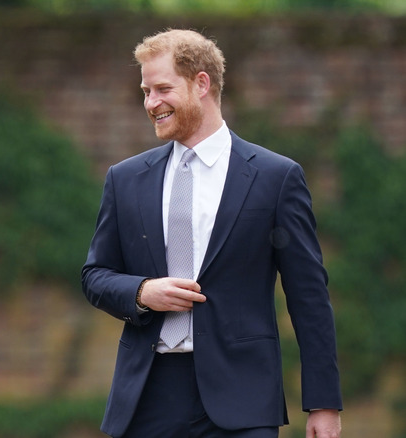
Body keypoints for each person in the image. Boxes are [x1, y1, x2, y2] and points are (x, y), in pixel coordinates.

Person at [81, 29, 342, 438]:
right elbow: (95, 276)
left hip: (243, 402)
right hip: (147, 398)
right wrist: (141, 292)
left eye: (162, 88)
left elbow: (308, 296)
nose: (151, 103)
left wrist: (324, 403)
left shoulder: (276, 178)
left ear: (202, 83)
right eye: (146, 91)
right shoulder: (125, 179)